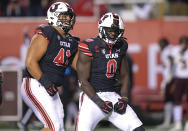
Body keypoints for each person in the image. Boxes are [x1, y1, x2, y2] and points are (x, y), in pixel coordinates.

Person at [76, 12, 144, 131]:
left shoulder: (121, 45)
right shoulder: (89, 46)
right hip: (91, 97)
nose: (113, 33)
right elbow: (83, 81)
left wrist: (124, 99)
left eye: (116, 31)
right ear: (101, 29)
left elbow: (125, 75)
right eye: (110, 30)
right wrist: (100, 102)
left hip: (113, 95)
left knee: (138, 129)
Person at [20, 2, 79, 131]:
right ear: (54, 16)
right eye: (64, 16)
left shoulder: (72, 41)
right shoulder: (47, 32)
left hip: (50, 87)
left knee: (59, 127)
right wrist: (47, 83)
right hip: (36, 83)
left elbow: (80, 67)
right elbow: (30, 63)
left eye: (69, 16)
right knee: (54, 126)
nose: (68, 19)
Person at [169, 36, 188, 131]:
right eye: (182, 43)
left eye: (185, 43)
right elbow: (171, 59)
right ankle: (178, 124)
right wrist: (179, 56)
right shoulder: (176, 50)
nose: (183, 45)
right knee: (177, 100)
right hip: (179, 78)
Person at [156, 37, 176, 129]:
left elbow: (172, 62)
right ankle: (171, 121)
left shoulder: (167, 51)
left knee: (170, 100)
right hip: (171, 78)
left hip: (170, 78)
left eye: (160, 43)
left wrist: (171, 76)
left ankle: (169, 122)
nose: (159, 46)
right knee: (171, 100)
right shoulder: (170, 49)